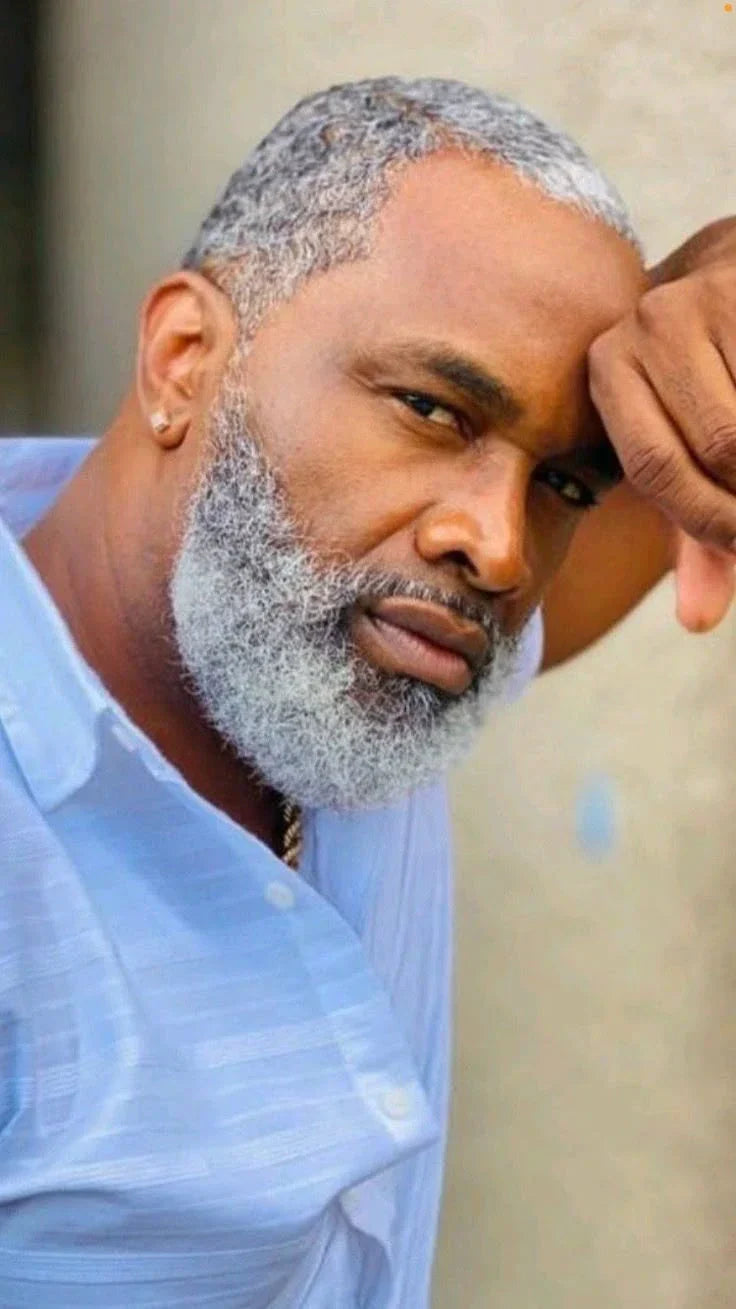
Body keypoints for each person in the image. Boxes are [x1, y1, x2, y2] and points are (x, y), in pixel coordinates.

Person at [1, 76, 735, 1308]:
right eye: (432, 409)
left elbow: (685, 433)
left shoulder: (347, 647)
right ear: (184, 359)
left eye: (562, 484)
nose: (499, 547)